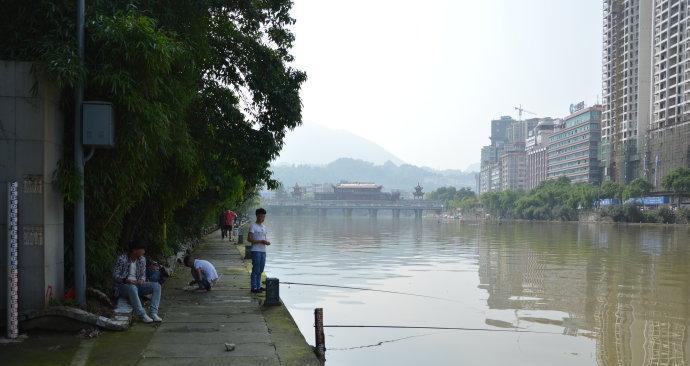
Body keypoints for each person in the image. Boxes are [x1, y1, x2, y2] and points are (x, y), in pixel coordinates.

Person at [112, 240, 163, 323]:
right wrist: (126, 280)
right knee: (132, 288)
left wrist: (142, 280)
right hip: (124, 286)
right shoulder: (122, 259)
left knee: (157, 286)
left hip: (137, 285)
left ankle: (154, 313)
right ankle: (142, 315)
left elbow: (143, 274)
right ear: (134, 250)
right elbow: (115, 275)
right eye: (142, 249)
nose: (144, 251)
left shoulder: (142, 259)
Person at [247, 208, 270, 293]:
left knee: (261, 270)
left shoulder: (264, 227)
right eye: (261, 216)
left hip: (263, 251)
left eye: (264, 216)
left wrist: (266, 242)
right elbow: (249, 239)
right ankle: (254, 287)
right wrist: (260, 241)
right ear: (257, 216)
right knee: (256, 269)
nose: (263, 218)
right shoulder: (253, 226)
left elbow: (264, 238)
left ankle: (259, 286)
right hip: (255, 250)